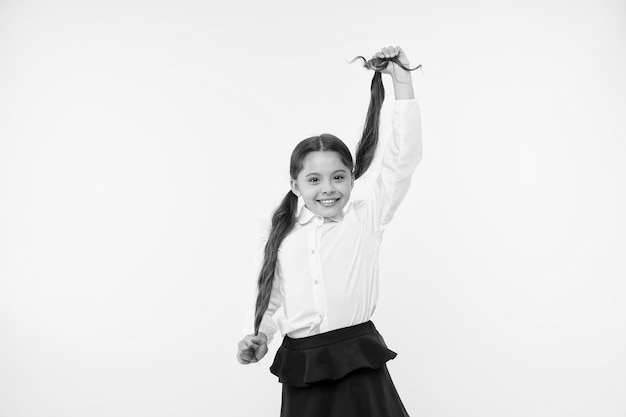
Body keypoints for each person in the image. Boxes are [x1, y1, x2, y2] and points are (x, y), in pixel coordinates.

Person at [237, 45, 422, 417]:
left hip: (356, 356)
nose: (328, 189)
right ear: (295, 185)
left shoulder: (364, 221)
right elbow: (273, 298)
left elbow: (401, 161)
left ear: (352, 178)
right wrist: (260, 334)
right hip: (302, 364)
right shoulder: (282, 236)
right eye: (314, 179)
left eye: (338, 177)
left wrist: (402, 83)